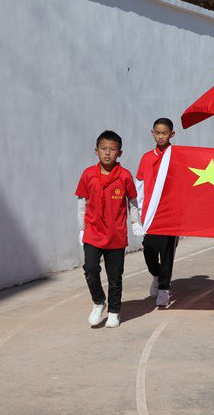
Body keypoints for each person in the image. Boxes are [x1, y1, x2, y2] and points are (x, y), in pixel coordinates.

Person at [76, 130, 142, 328]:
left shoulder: (124, 176)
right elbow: (82, 203)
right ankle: (98, 302)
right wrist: (81, 229)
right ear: (96, 151)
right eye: (103, 149)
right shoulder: (88, 174)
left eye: (112, 150)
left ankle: (114, 311)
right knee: (90, 270)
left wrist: (135, 222)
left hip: (116, 235)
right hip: (93, 233)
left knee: (115, 276)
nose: (107, 153)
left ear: (119, 153)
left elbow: (132, 201)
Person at [136, 118, 179, 307]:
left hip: (170, 214)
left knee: (167, 252)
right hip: (150, 215)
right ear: (152, 133)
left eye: (165, 133)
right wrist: (137, 215)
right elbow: (140, 185)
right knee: (150, 251)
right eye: (158, 133)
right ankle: (156, 274)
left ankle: (164, 288)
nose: (161, 136)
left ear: (172, 134)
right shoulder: (146, 158)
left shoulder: (177, 156)